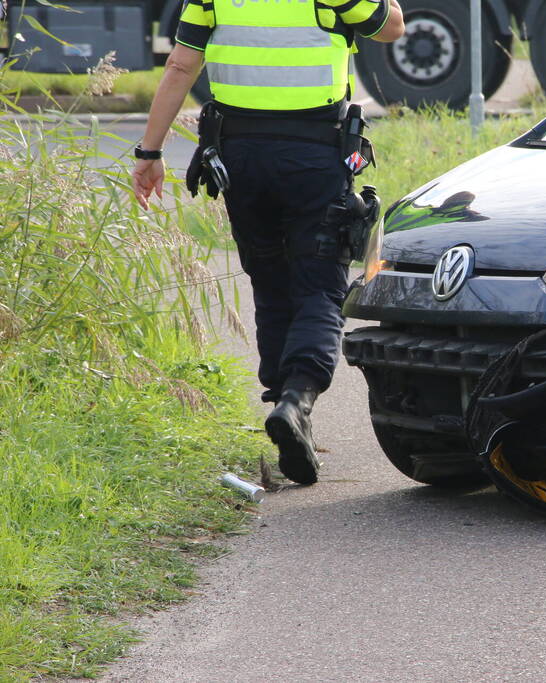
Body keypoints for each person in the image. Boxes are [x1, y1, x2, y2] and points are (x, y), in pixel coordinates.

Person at [131, 0, 405, 485]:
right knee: (319, 286)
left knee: (271, 282)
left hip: (240, 157)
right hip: (315, 155)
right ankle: (296, 400)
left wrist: (150, 151)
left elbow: (180, 64)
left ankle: (284, 405)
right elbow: (391, 29)